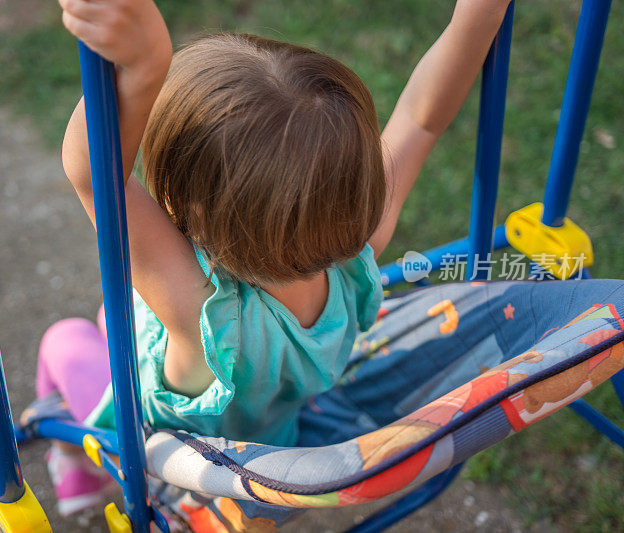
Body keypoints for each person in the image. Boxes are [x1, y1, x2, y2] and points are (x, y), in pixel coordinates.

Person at [34, 0, 513, 515]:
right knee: (115, 316)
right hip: (268, 436)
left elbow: (93, 173)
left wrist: (146, 66)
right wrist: (478, 18)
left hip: (162, 454)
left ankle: (76, 466)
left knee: (64, 340)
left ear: (186, 205)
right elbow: (421, 119)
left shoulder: (205, 316)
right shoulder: (357, 250)